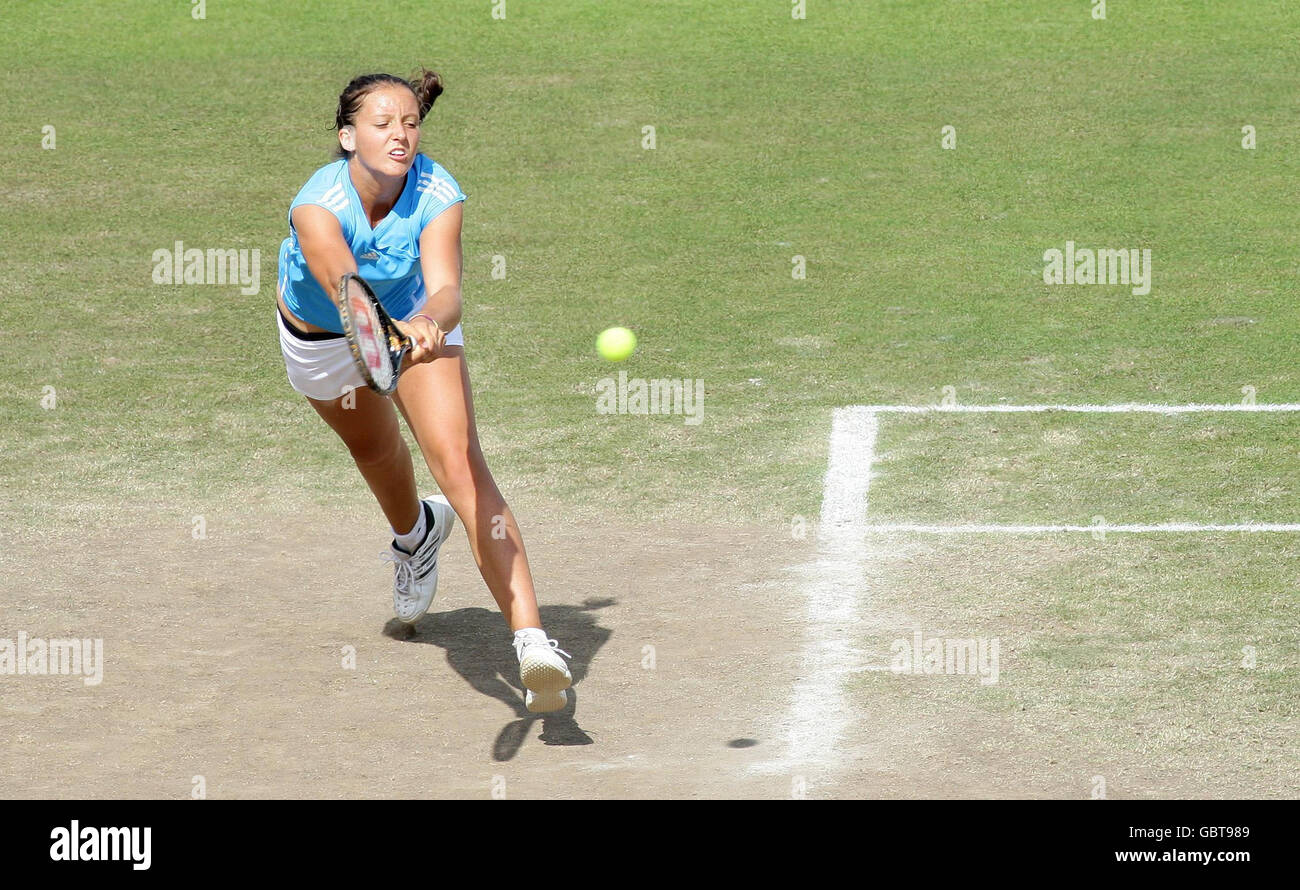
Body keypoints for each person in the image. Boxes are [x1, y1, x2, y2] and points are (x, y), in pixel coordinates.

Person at [274, 68, 571, 713]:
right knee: (375, 454)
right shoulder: (316, 204)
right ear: (348, 136)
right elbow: (342, 284)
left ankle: (533, 642)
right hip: (324, 337)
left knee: (463, 466)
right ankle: (415, 536)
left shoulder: (439, 191)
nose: (400, 135)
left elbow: (448, 289)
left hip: (409, 325)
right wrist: (380, 332)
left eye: (409, 123)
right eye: (382, 125)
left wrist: (426, 326)